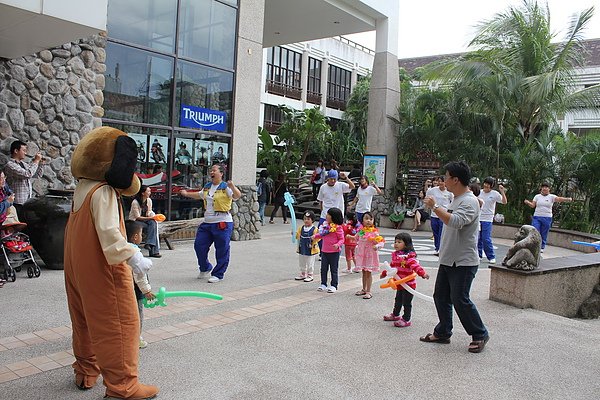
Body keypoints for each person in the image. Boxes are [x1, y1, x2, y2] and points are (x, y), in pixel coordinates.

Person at [420, 161, 489, 354]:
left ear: (456, 180)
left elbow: (457, 222)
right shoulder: (456, 198)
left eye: (447, 176)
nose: (444, 180)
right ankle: (443, 332)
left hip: (463, 261)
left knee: (460, 299)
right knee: (441, 296)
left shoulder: (469, 201)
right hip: (449, 259)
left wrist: (435, 207)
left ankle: (480, 333)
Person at [180, 164, 241, 282]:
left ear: (221, 173)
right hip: (207, 223)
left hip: (222, 222)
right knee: (199, 245)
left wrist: (232, 186)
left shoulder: (225, 187)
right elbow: (199, 195)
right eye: (210, 170)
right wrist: (187, 194)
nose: (211, 172)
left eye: (214, 170)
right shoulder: (207, 186)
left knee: (222, 249)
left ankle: (218, 274)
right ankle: (205, 267)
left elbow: (237, 196)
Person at [381, 232, 429, 327]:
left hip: (408, 285)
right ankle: (395, 314)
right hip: (399, 284)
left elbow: (416, 266)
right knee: (398, 300)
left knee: (406, 302)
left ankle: (406, 319)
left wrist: (423, 274)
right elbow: (391, 267)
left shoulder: (409, 257)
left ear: (406, 244)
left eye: (399, 242)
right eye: (395, 242)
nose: (396, 244)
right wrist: (384, 273)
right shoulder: (396, 256)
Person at [125, 220, 156, 349]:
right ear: (135, 237)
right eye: (141, 233)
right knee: (137, 315)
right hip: (136, 290)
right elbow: (140, 275)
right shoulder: (135, 253)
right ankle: (136, 338)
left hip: (124, 289)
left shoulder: (121, 249)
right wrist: (147, 290)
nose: (142, 236)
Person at [524, 183, 573, 252]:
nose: (544, 188)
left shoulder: (551, 197)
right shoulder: (537, 196)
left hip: (547, 217)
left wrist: (567, 199)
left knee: (544, 232)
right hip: (537, 216)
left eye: (546, 187)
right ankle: (534, 245)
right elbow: (533, 205)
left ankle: (542, 247)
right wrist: (528, 202)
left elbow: (559, 199)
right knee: (535, 231)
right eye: (543, 187)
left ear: (549, 189)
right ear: (541, 189)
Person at [4, 140, 44, 222]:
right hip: (16, 203)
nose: (25, 153)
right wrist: (36, 161)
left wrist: (41, 164)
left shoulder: (23, 164)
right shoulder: (10, 165)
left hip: (26, 201)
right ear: (16, 151)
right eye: (24, 150)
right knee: (17, 226)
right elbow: (27, 174)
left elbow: (36, 175)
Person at [351, 212, 384, 299]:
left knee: (368, 273)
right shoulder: (361, 231)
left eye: (371, 219)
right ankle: (364, 289)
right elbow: (356, 238)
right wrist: (350, 237)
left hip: (370, 256)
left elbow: (381, 242)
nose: (368, 221)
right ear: (362, 220)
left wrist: (376, 246)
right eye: (366, 218)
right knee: (363, 272)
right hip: (362, 255)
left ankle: (369, 291)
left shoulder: (374, 232)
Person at [313, 207, 344, 293]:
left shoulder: (338, 228)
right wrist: (315, 236)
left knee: (334, 269)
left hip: (334, 252)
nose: (327, 216)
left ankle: (334, 285)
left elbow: (342, 239)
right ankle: (323, 284)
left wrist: (337, 245)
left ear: (334, 217)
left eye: (329, 214)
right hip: (324, 251)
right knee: (323, 269)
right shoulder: (325, 226)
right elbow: (321, 235)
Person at [478, 177, 507, 263]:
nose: (486, 185)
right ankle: (478, 255)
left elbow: (504, 202)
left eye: (488, 184)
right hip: (478, 217)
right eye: (485, 183)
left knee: (485, 238)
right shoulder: (479, 192)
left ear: (491, 186)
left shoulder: (495, 194)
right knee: (478, 238)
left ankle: (491, 256)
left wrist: (502, 191)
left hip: (488, 219)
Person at [129, 185, 161, 258]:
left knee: (153, 224)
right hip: (135, 221)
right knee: (152, 226)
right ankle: (153, 250)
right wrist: (151, 217)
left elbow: (149, 211)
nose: (150, 192)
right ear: (143, 193)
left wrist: (153, 216)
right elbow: (137, 217)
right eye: (148, 191)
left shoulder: (149, 200)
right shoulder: (135, 202)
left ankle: (149, 244)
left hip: (145, 220)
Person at [426, 176, 454, 256]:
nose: (440, 183)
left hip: (444, 215)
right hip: (434, 214)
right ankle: (437, 248)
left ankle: (441, 248)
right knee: (435, 232)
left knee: (442, 233)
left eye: (442, 181)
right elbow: (427, 195)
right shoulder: (433, 190)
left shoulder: (449, 192)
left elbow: (452, 202)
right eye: (439, 181)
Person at [294, 211, 319, 282]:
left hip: (310, 249)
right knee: (301, 261)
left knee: (310, 262)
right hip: (302, 248)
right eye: (305, 219)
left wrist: (314, 238)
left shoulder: (314, 229)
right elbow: (298, 236)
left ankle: (310, 274)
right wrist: (294, 234)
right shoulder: (301, 228)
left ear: (312, 220)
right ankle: (303, 273)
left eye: (308, 219)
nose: (306, 221)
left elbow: (319, 237)